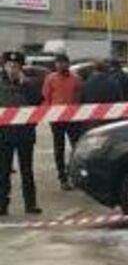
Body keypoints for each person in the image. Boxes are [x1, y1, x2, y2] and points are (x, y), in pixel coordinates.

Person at [0, 50, 41, 215]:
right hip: (4, 136)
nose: (12, 68)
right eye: (9, 65)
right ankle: (2, 205)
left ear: (21, 67)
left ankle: (30, 204)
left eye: (16, 66)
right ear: (4, 66)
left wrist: (26, 84)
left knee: (27, 171)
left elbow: (38, 102)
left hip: (25, 135)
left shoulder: (29, 84)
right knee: (2, 172)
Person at [43, 52, 85, 191]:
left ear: (68, 63)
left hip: (73, 119)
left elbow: (80, 98)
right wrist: (49, 115)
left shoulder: (76, 79)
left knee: (76, 148)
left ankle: (75, 174)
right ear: (55, 65)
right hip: (56, 120)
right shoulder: (50, 78)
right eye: (58, 63)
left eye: (63, 62)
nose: (61, 65)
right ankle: (62, 178)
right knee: (59, 148)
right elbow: (46, 98)